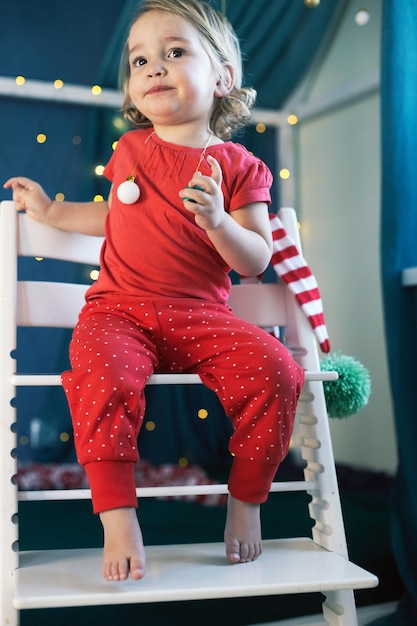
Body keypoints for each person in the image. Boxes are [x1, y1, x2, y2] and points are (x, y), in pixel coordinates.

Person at [4, 0, 304, 583]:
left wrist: (219, 220)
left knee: (278, 372)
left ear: (222, 78)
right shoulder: (132, 151)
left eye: (174, 53)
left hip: (201, 317)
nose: (153, 68)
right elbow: (114, 215)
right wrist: (51, 211)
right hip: (119, 312)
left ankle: (245, 504)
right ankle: (118, 515)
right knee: (100, 368)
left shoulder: (239, 166)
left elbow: (257, 260)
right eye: (139, 59)